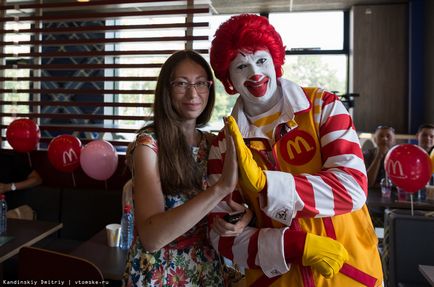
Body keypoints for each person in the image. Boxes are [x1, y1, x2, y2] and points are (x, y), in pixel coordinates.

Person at [207, 14, 383, 286]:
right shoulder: (223, 145)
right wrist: (292, 245)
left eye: (261, 60)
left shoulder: (323, 106)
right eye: (241, 66)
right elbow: (222, 237)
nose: (254, 73)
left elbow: (352, 189)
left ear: (275, 61)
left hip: (350, 273)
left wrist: (268, 186)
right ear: (228, 77)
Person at [122, 50, 248, 287]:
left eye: (201, 83)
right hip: (161, 272)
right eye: (181, 83)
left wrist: (241, 219)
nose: (193, 93)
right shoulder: (149, 145)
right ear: (166, 90)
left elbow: (241, 202)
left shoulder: (213, 143)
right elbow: (151, 238)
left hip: (208, 269)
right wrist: (219, 189)